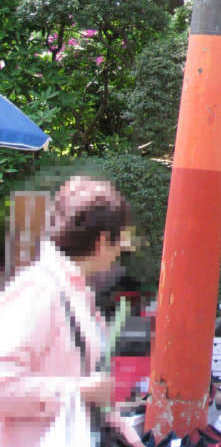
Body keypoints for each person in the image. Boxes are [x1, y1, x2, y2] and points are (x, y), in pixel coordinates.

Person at [0, 175, 145, 447]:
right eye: (121, 240)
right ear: (103, 241)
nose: (121, 251)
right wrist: (78, 390)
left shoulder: (74, 290)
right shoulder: (40, 289)